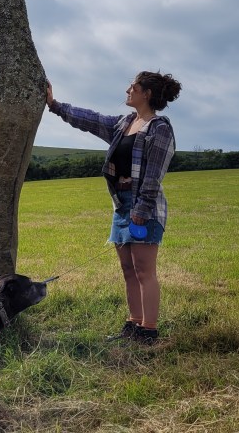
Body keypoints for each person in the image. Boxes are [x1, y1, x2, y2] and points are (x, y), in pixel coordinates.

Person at [45, 71, 181, 345]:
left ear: (147, 94)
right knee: (128, 270)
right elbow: (91, 120)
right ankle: (133, 323)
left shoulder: (159, 129)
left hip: (144, 207)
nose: (128, 89)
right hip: (121, 205)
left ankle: (149, 330)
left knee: (144, 270)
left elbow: (154, 175)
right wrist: (55, 105)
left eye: (134, 86)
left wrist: (141, 212)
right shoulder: (124, 123)